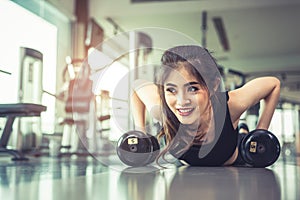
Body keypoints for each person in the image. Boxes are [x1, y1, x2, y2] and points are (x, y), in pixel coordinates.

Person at [130, 45, 280, 166]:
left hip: (235, 159)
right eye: (171, 90)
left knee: (242, 135)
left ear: (213, 85)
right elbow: (136, 86)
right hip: (189, 172)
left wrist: (261, 132)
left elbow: (273, 84)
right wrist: (140, 131)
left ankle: (242, 129)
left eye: (192, 89)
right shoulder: (164, 111)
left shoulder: (230, 106)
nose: (181, 101)